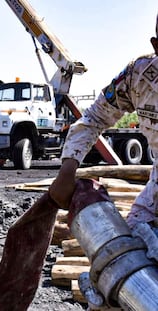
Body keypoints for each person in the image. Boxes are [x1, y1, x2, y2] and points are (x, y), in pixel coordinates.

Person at [49, 15, 158, 231]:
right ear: (156, 46)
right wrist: (68, 169)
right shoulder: (139, 77)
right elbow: (95, 117)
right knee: (131, 248)